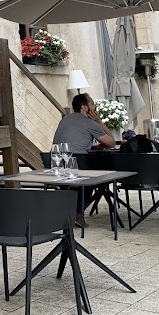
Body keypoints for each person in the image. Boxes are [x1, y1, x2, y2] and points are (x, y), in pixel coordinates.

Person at [52, 94, 115, 227]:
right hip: (77, 163)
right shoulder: (90, 123)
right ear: (85, 108)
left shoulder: (65, 119)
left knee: (77, 180)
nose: (95, 106)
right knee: (91, 180)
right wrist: (99, 121)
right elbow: (112, 143)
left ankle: (68, 211)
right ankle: (78, 213)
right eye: (92, 104)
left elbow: (74, 140)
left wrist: (92, 146)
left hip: (55, 162)